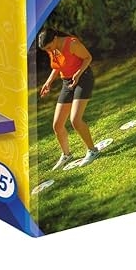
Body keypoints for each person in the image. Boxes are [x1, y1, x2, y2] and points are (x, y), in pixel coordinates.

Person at [37, 26, 98, 170]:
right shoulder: (53, 48)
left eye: (49, 47)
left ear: (55, 39)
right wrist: (48, 82)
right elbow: (57, 66)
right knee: (57, 125)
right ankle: (66, 155)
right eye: (46, 49)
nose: (48, 51)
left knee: (75, 120)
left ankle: (92, 151)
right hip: (67, 82)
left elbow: (88, 58)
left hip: (83, 78)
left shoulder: (72, 43)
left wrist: (78, 74)